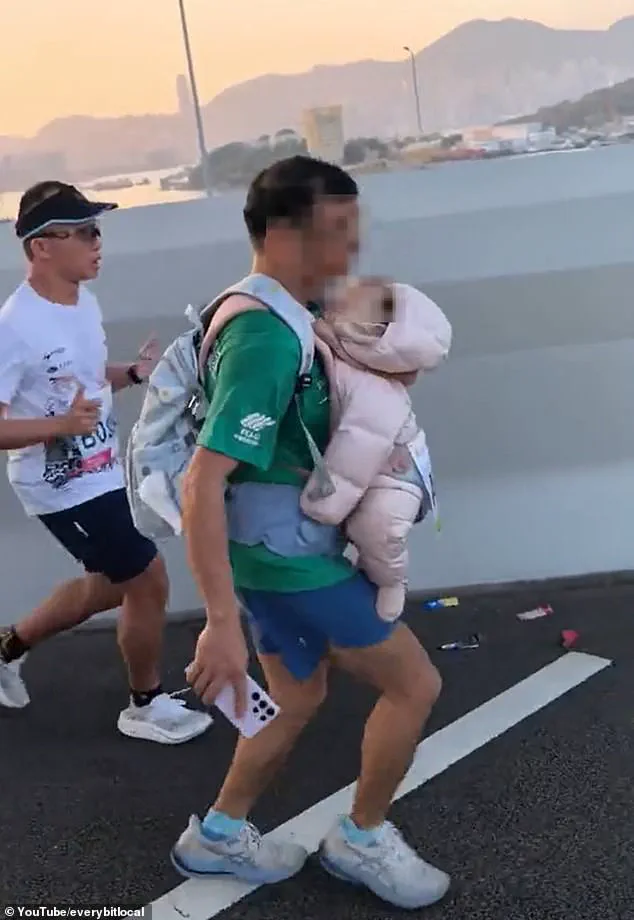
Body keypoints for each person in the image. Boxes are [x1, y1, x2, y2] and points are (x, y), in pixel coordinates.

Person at [172, 156, 450, 909]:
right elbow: (204, 481)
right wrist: (219, 624)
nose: (352, 249)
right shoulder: (264, 337)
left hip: (271, 557)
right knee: (414, 684)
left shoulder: (282, 312)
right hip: (290, 563)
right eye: (337, 231)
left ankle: (218, 834)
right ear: (283, 234)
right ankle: (363, 838)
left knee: (295, 697)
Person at [0, 180, 212, 746]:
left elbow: (82, 382)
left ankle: (8, 647)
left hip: (104, 470)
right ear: (42, 246)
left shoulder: (81, 303)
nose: (98, 243)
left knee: (112, 584)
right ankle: (144, 703)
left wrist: (135, 374)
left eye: (98, 231)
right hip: (60, 485)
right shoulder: (13, 327)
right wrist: (60, 428)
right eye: (85, 232)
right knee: (146, 578)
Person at [300, 278, 452, 622]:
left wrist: (322, 505)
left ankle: (391, 580)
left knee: (379, 530)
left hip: (396, 474)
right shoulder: (334, 345)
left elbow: (355, 452)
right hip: (371, 458)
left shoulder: (376, 393)